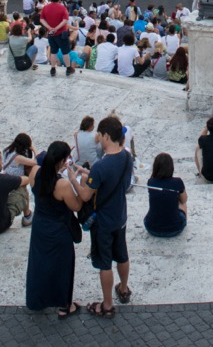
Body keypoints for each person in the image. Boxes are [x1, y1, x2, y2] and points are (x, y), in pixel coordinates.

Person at [77, 116, 132, 318]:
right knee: (122, 254)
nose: (97, 138)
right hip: (121, 217)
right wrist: (90, 174)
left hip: (103, 222)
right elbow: (123, 184)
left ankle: (107, 304)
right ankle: (124, 289)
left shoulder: (100, 167)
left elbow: (85, 195)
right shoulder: (127, 157)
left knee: (105, 263)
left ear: (106, 136)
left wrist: (77, 180)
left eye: (99, 135)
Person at [25, 140, 86, 318]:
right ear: (61, 161)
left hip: (40, 227)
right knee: (62, 268)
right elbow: (76, 206)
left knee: (39, 265)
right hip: (59, 231)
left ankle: (37, 300)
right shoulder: (63, 185)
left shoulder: (35, 172)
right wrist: (77, 182)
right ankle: (65, 306)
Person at [143, 152, 188, 238]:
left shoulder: (151, 182)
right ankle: (183, 224)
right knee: (182, 202)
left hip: (152, 228)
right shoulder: (177, 182)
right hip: (175, 229)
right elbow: (184, 200)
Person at [40, 0, 74, 76]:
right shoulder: (62, 8)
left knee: (53, 51)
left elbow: (42, 19)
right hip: (61, 32)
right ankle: (68, 68)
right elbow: (65, 20)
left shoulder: (45, 7)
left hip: (51, 33)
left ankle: (53, 69)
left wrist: (49, 27)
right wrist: (57, 28)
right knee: (65, 51)